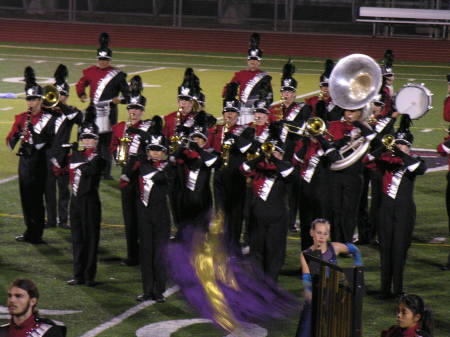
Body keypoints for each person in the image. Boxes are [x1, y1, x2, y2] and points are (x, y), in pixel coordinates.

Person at [368, 116, 426, 298]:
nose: (399, 147)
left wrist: (401, 154)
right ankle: (384, 288)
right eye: (397, 144)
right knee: (385, 249)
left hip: (404, 212)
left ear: (409, 146)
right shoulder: (386, 161)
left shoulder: (414, 162)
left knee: (399, 250)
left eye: (403, 144)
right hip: (385, 211)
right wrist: (386, 147)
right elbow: (369, 158)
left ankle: (398, 289)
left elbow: (419, 168)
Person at [5, 67, 55, 244]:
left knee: (36, 197)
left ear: (40, 100)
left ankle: (37, 233)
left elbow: (50, 139)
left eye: (33, 99)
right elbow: (9, 142)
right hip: (25, 160)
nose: (30, 102)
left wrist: (34, 134)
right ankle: (30, 231)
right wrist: (18, 135)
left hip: (40, 160)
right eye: (28, 99)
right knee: (26, 196)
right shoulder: (20, 117)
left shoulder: (49, 117)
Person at [122, 132, 172, 302]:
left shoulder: (168, 166)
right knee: (145, 253)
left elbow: (161, 177)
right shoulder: (140, 165)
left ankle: (159, 291)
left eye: (159, 150)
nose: (155, 153)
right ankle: (147, 290)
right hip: (143, 215)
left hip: (161, 216)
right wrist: (134, 160)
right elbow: (124, 178)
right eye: (152, 149)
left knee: (160, 254)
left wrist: (143, 163)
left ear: (164, 151)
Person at [75, 32, 130, 180]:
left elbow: (127, 94)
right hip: (93, 110)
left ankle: (105, 172)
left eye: (105, 59)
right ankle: (87, 164)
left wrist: (121, 100)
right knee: (88, 137)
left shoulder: (117, 75)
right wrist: (81, 94)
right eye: (100, 59)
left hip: (110, 111)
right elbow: (81, 84)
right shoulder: (90, 71)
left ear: (109, 59)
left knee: (106, 142)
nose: (103, 62)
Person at [240, 136, 294, 281]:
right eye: (271, 151)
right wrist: (261, 157)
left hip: (277, 219)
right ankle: (259, 282)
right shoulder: (259, 167)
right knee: (256, 252)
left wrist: (275, 159)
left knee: (274, 252)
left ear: (282, 155)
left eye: (276, 152)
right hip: (257, 218)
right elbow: (244, 167)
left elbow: (288, 173)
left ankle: (271, 282)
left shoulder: (286, 167)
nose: (272, 154)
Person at [111, 75, 152, 267]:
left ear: (142, 111)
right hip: (126, 178)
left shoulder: (148, 127)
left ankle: (146, 253)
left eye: (137, 109)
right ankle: (132, 255)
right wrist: (117, 155)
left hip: (142, 178)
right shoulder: (120, 127)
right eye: (131, 108)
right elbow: (112, 145)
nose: (133, 111)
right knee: (129, 217)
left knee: (144, 217)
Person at [297, 218, 362, 337]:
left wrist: (358, 262)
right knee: (306, 329)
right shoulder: (305, 254)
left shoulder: (335, 248)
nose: (322, 236)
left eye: (325, 233)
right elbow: (306, 276)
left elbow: (355, 249)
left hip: (333, 295)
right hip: (315, 296)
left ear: (329, 235)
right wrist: (308, 292)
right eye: (319, 232)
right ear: (311, 233)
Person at [208, 82, 253, 250]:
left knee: (236, 212)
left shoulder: (245, 130)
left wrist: (233, 138)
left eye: (233, 112)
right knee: (220, 210)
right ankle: (221, 242)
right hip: (219, 176)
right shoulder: (216, 130)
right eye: (227, 112)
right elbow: (211, 150)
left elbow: (247, 147)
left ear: (238, 114)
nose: (229, 115)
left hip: (236, 177)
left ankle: (234, 244)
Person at [66, 109, 105, 287]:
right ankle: (77, 274)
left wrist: (77, 156)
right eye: (84, 138)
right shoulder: (76, 155)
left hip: (90, 202)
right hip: (75, 202)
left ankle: (89, 276)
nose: (87, 141)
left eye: (91, 138)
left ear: (96, 140)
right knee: (77, 239)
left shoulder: (99, 157)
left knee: (90, 239)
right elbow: (58, 166)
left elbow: (91, 169)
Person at [327, 107, 376, 243]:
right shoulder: (334, 125)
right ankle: (336, 241)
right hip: (335, 174)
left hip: (354, 175)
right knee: (335, 210)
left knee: (350, 211)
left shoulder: (364, 128)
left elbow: (372, 137)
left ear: (360, 113)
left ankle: (346, 243)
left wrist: (358, 122)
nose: (349, 114)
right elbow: (328, 147)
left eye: (353, 112)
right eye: (348, 111)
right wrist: (341, 142)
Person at [47, 64, 83, 230]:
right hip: (46, 155)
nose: (60, 97)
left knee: (63, 191)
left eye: (62, 94)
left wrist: (61, 105)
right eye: (57, 94)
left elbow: (79, 118)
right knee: (48, 190)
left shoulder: (70, 112)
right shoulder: (45, 112)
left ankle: (63, 220)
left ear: (66, 96)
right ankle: (51, 220)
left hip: (62, 156)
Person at [222, 32, 272, 124]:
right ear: (247, 61)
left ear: (260, 62)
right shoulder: (240, 74)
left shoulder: (265, 77)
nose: (253, 62)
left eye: (256, 60)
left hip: (257, 111)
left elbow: (269, 96)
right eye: (251, 59)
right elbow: (228, 91)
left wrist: (262, 107)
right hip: (242, 110)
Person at [0, 278, 66, 336]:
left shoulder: (50, 332)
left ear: (32, 301)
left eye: (18, 296)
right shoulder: (2, 331)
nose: (12, 300)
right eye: (10, 296)